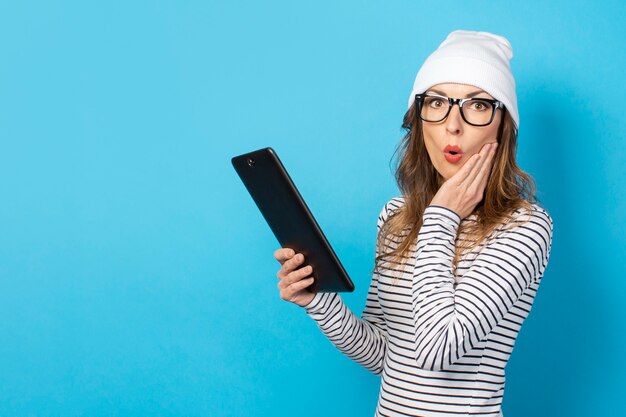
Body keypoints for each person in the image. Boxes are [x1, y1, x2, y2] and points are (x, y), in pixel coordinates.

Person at [273, 30, 553, 417]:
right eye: (436, 102)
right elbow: (386, 355)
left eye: (477, 106)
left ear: (502, 126)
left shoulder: (525, 226)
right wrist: (318, 301)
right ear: (419, 121)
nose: (453, 125)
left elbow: (438, 349)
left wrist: (442, 216)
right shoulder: (395, 216)